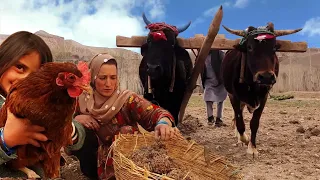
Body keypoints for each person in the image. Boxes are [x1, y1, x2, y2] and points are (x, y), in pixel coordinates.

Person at [65, 53, 179, 180]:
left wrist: (163, 123)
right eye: (102, 78)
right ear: (93, 78)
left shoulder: (127, 99)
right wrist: (76, 119)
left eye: (113, 77)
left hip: (126, 167)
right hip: (92, 164)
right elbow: (61, 123)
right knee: (77, 128)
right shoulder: (81, 100)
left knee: (126, 131)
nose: (108, 83)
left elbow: (154, 113)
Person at [0, 31, 86, 178]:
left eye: (36, 73)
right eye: (20, 67)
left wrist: (69, 129)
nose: (26, 78)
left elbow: (78, 132)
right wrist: (5, 140)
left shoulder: (47, 103)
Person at [201, 50, 227, 127]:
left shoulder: (220, 54)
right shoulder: (203, 55)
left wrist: (223, 78)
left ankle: (219, 119)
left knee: (221, 100)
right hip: (209, 81)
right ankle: (210, 118)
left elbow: (226, 64)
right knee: (208, 99)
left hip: (220, 81)